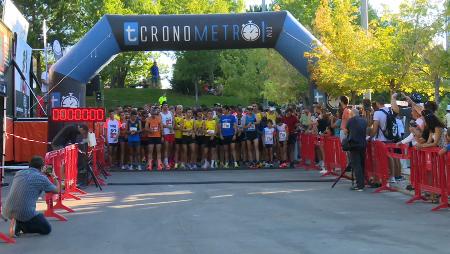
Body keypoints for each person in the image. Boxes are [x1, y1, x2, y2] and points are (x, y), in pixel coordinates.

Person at [3, 156, 60, 237]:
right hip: (25, 212)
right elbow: (57, 190)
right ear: (42, 167)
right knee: (46, 229)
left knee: (27, 213)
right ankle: (22, 226)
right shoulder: (42, 178)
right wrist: (54, 176)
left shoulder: (19, 173)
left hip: (7, 210)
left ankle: (18, 222)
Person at [346, 109, 368, 191]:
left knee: (356, 164)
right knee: (362, 164)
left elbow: (347, 130)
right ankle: (362, 182)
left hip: (354, 144)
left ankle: (359, 184)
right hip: (363, 143)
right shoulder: (364, 121)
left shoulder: (350, 120)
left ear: (352, 114)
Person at [160, 102, 174, 170]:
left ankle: (169, 161)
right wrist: (167, 126)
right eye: (164, 105)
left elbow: (173, 122)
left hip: (171, 132)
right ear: (162, 106)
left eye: (166, 105)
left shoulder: (170, 113)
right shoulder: (160, 114)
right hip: (165, 132)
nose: (166, 106)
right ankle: (165, 162)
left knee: (170, 148)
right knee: (165, 147)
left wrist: (172, 128)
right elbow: (160, 124)